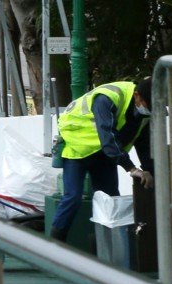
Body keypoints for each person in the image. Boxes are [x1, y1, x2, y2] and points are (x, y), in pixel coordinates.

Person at [49, 79, 154, 241]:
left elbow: (144, 145)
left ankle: (109, 250)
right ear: (137, 95)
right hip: (78, 150)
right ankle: (54, 243)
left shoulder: (145, 114)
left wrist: (151, 172)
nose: (148, 109)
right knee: (73, 197)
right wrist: (132, 169)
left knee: (111, 201)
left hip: (105, 156)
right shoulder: (108, 97)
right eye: (147, 104)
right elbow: (108, 138)